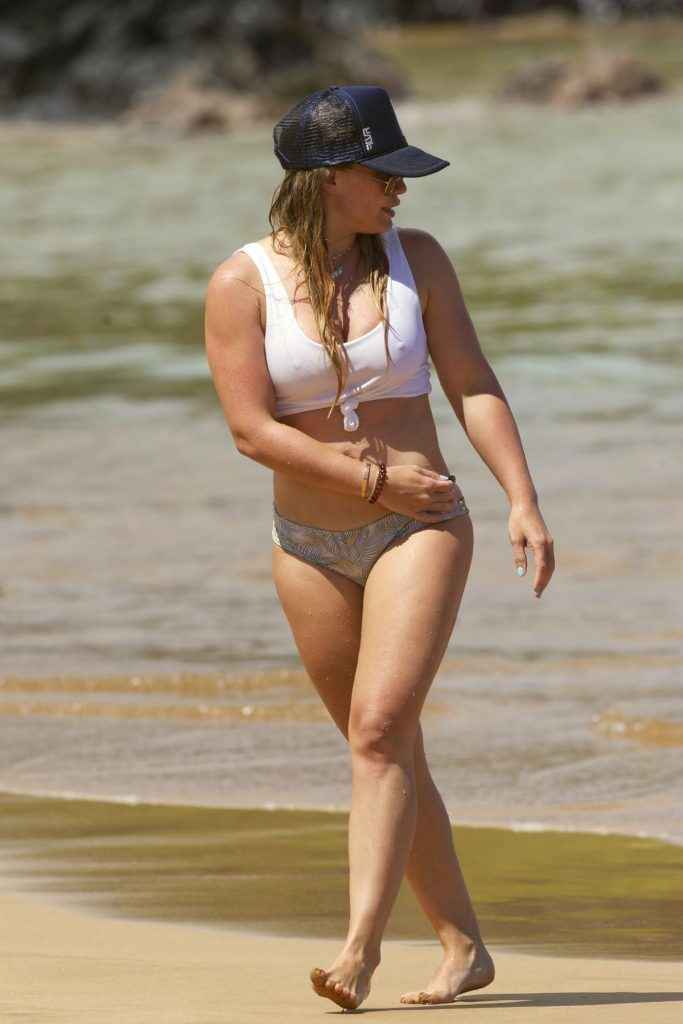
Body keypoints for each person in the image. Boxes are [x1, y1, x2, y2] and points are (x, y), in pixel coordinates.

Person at [204, 84, 555, 1011]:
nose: (401, 189)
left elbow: (470, 383)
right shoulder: (241, 284)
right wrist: (364, 482)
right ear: (328, 178)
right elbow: (249, 430)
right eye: (384, 174)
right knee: (386, 747)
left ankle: (358, 949)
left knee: (376, 733)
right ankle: (462, 946)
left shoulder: (417, 260)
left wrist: (521, 498)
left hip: (420, 523)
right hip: (307, 544)